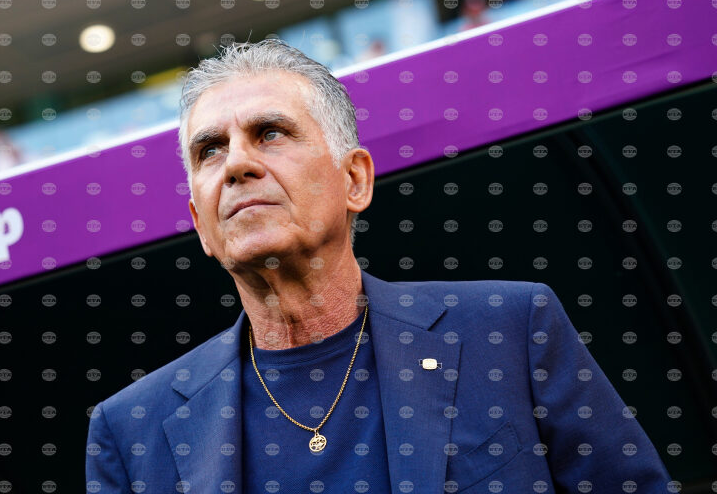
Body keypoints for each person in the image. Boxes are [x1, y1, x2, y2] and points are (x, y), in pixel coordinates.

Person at [85, 39, 671, 493]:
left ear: (355, 180)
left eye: (270, 133)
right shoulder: (132, 432)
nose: (237, 164)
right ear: (200, 225)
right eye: (209, 150)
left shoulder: (509, 329)